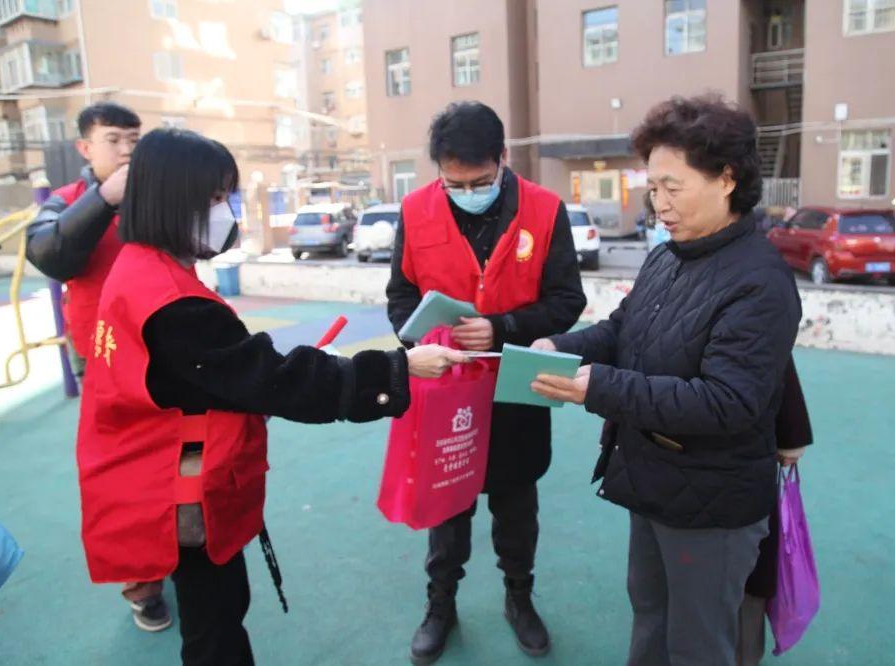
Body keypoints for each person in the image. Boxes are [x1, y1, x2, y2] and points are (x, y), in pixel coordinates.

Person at [76, 128, 466, 666]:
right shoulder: (171, 301)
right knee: (215, 624)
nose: (225, 210)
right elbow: (278, 381)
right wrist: (400, 368)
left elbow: (229, 369)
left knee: (216, 609)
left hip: (153, 470)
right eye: (215, 198)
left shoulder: (142, 267)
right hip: (178, 487)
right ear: (175, 198)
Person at [530, 94, 802, 666]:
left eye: (672, 187)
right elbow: (623, 329)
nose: (659, 204)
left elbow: (727, 404)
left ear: (727, 179)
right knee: (651, 616)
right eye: (652, 188)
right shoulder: (668, 256)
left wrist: (596, 387)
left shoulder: (760, 282)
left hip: (713, 502)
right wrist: (558, 348)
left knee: (700, 644)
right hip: (651, 479)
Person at [386, 101, 587, 664]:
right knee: (446, 507)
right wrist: (419, 343)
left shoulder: (546, 211)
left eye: (479, 181)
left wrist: (502, 326)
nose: (466, 191)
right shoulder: (415, 209)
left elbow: (568, 301)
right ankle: (440, 605)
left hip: (516, 385)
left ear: (503, 158)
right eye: (453, 183)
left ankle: (519, 599)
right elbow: (400, 297)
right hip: (446, 389)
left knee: (516, 503)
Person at [22, 102, 174, 631]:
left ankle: (180, 549)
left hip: (166, 348)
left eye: (136, 138)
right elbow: (49, 254)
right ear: (86, 148)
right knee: (124, 478)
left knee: (181, 458)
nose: (129, 150)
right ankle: (143, 583)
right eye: (115, 140)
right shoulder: (67, 202)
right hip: (103, 358)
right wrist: (106, 199)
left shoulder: (155, 198)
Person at [736, 357, 813, 666]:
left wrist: (792, 435)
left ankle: (743, 654)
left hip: (738, 473)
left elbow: (778, 360)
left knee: (747, 574)